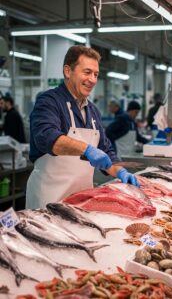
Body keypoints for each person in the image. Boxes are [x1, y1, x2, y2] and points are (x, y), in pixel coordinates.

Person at [26, 45, 139, 209]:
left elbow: (105, 149)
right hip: (48, 199)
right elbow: (47, 138)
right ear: (67, 71)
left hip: (82, 199)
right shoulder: (49, 101)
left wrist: (120, 171)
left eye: (96, 74)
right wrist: (87, 150)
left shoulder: (92, 110)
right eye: (87, 72)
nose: (92, 79)